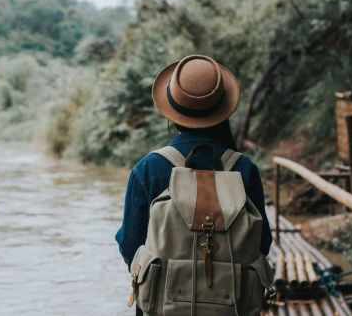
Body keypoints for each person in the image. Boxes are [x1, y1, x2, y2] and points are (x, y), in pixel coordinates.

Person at [115, 55, 272, 315]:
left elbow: (130, 243)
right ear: (223, 110)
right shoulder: (244, 169)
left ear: (172, 112)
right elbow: (262, 243)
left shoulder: (148, 169)